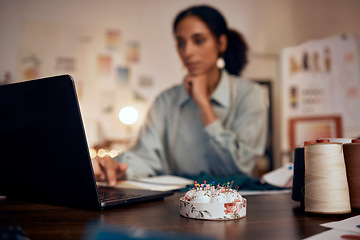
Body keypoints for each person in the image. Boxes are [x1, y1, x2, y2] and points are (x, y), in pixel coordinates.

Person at [92, 5, 268, 187]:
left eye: (198, 41)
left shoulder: (250, 95)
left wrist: (203, 103)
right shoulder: (166, 101)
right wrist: (118, 167)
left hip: (233, 206)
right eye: (181, 43)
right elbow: (145, 157)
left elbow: (240, 166)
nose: (187, 52)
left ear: (221, 43)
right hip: (178, 206)